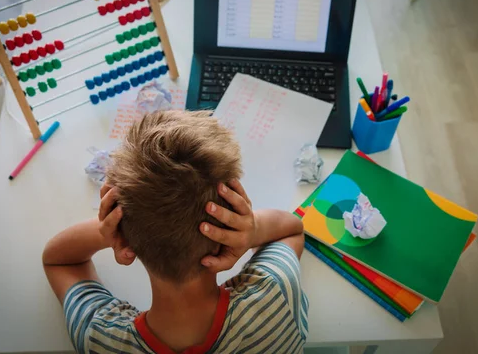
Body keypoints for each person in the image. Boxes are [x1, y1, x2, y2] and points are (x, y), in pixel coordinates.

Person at [42, 111, 309, 353]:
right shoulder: (275, 296)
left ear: (122, 237)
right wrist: (252, 232)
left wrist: (111, 230)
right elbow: (292, 229)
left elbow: (58, 260)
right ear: (226, 235)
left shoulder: (100, 340)